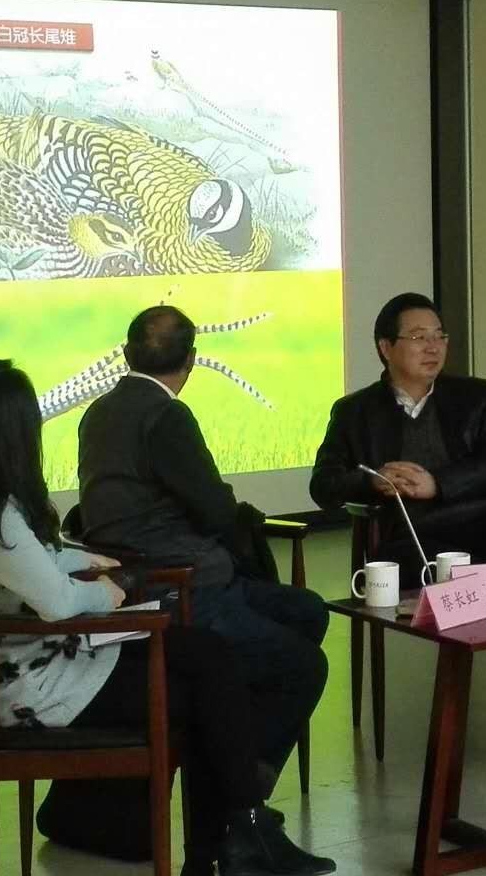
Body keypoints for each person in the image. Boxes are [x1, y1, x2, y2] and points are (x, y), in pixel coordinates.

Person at [0, 359, 334, 876]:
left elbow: (37, 562)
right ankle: (231, 838)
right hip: (39, 685)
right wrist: (110, 593)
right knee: (211, 687)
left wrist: (87, 561)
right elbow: (59, 604)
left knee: (209, 656)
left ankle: (237, 833)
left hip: (35, 664)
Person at [77, 307, 330, 802]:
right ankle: (237, 793)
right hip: (186, 589)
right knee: (302, 664)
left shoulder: (98, 411)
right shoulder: (167, 416)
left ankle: (232, 740)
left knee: (306, 611)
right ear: (191, 360)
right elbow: (214, 510)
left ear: (127, 354)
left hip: (142, 582)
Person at [308, 292, 486, 754]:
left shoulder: (476, 396)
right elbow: (324, 485)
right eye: (418, 337)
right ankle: (450, 751)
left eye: (439, 337)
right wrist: (371, 481)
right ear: (385, 348)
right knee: (470, 597)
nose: (432, 347)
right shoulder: (354, 411)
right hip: (412, 547)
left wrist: (439, 482)